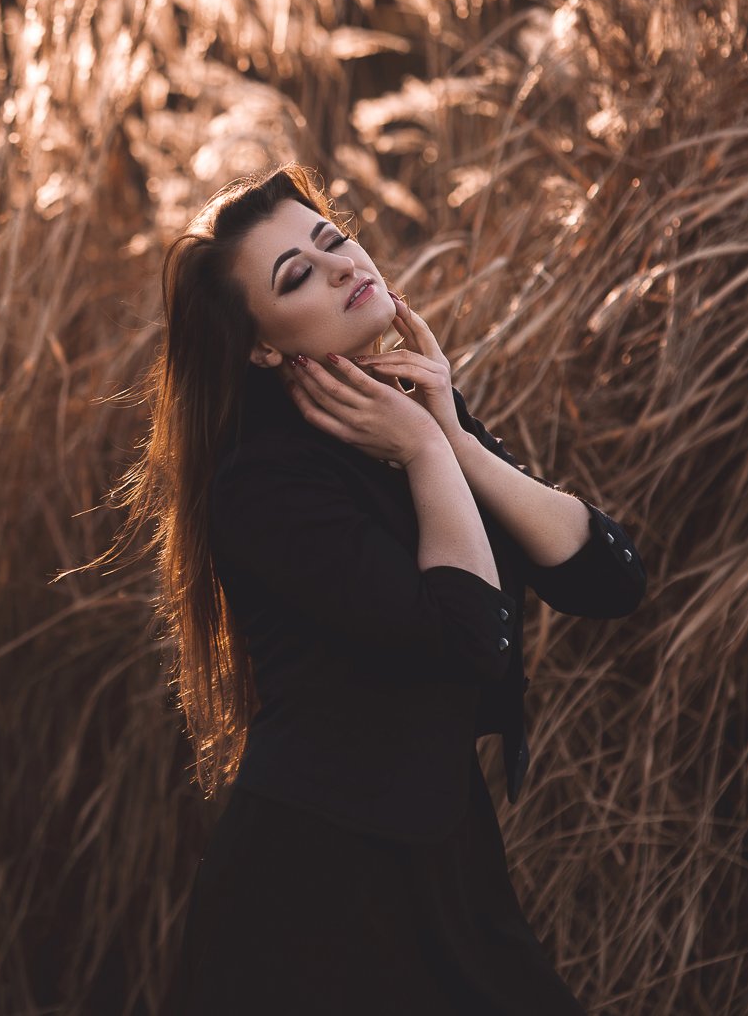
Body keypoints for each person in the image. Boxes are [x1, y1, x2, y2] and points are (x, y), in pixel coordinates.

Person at [109, 163, 647, 1014]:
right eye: (297, 276)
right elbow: (474, 634)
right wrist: (430, 453)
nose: (341, 267)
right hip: (317, 885)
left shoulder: (407, 411)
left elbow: (611, 577)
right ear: (262, 344)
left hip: (439, 848)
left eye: (335, 240)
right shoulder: (265, 485)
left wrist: (452, 438)